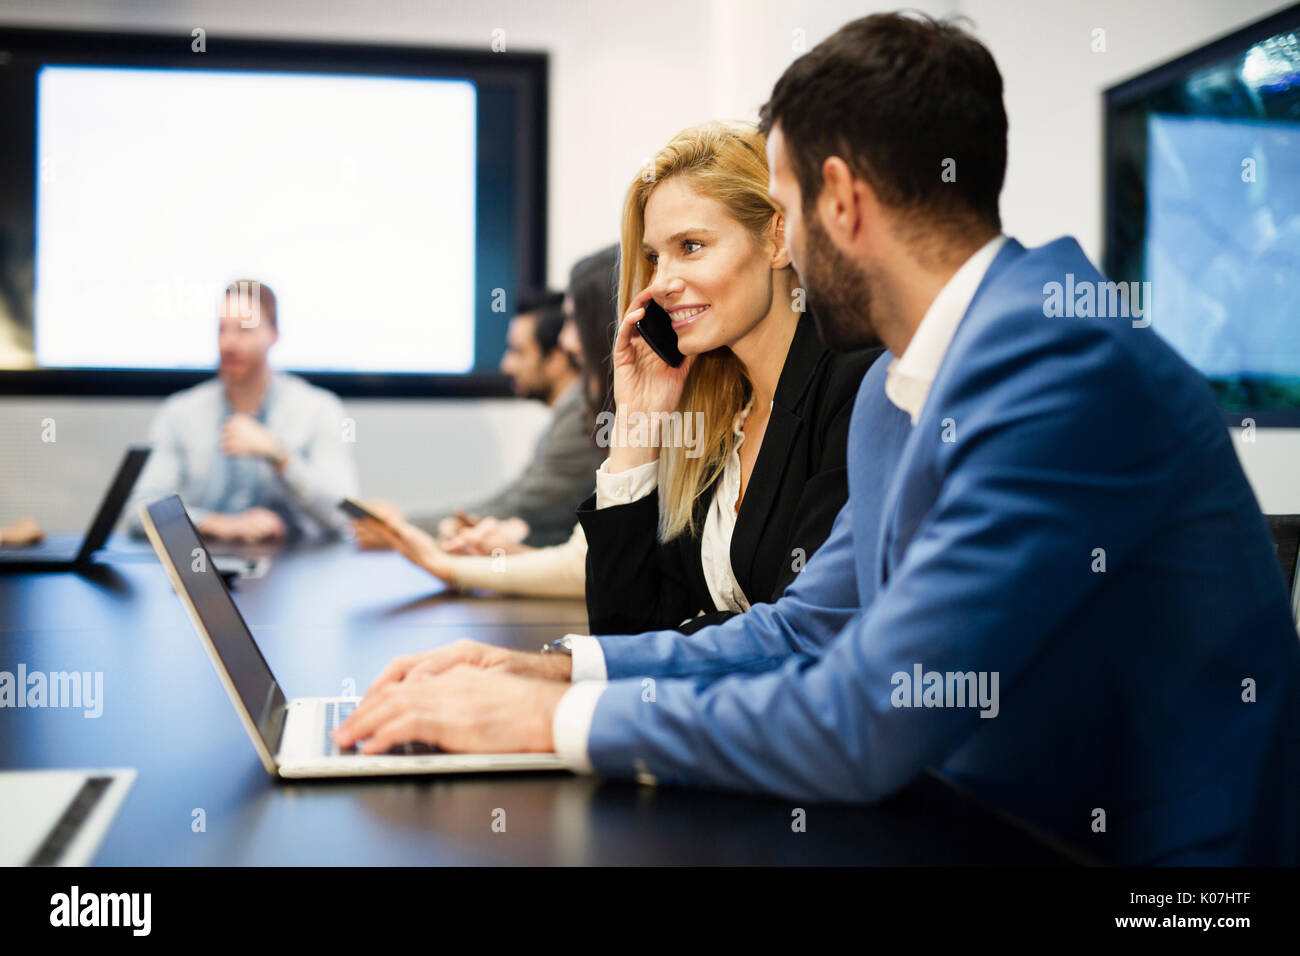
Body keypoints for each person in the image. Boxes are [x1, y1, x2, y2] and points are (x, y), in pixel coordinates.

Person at [335, 13, 1300, 865]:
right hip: (963, 819)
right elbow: (806, 630)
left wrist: (553, 720)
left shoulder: (1060, 366)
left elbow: (874, 715)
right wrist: (560, 669)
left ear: (839, 201)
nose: (784, 236)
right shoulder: (897, 384)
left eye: (785, 205)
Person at [578, 121, 893, 634]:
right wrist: (636, 431)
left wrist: (686, 634)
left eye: (692, 246)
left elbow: (811, 630)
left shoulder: (857, 384)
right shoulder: (720, 411)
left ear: (778, 239)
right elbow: (625, 635)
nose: (661, 283)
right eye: (655, 257)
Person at [361, 246, 621, 598]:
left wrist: (409, 531)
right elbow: (576, 555)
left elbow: (527, 507)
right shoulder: (593, 412)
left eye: (517, 351)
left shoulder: (592, 415)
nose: (566, 338)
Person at [353, 291, 606, 551]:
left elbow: (523, 506)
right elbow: (518, 502)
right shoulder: (569, 414)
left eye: (517, 352)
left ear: (556, 359)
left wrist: (401, 529)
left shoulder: (580, 416)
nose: (506, 365)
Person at [126, 279, 358, 542]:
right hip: (201, 570)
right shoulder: (180, 413)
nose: (229, 343)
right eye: (222, 329)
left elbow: (342, 514)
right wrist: (219, 524)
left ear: (274, 333)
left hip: (294, 570)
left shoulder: (319, 409)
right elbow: (141, 511)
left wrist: (279, 455)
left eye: (244, 330)